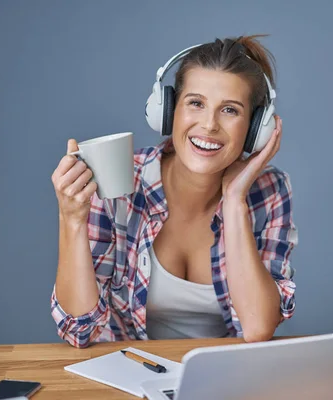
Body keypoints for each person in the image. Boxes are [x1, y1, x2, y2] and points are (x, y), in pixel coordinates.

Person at [50, 35, 298, 348]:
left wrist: (235, 201)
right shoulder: (120, 181)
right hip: (130, 375)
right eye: (196, 103)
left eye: (230, 110)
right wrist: (71, 218)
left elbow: (258, 328)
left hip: (221, 380)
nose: (209, 125)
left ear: (254, 128)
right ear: (168, 111)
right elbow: (78, 330)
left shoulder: (269, 190)